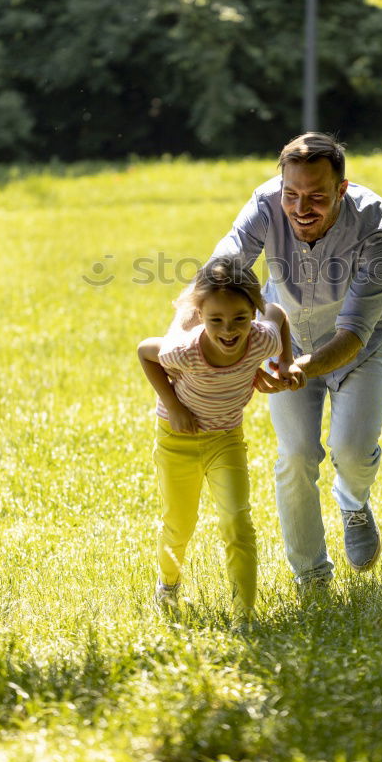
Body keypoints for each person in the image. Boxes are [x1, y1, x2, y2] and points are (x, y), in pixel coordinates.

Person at [211, 132, 382, 591]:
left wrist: (297, 371)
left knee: (352, 451)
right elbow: (224, 267)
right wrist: (196, 329)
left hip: (361, 346)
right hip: (290, 340)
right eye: (292, 194)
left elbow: (353, 333)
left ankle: (354, 504)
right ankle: (311, 576)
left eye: (317, 196)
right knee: (296, 455)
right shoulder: (265, 203)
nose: (300, 208)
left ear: (342, 189)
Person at [137, 256, 305, 621]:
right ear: (200, 315)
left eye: (240, 319)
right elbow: (144, 353)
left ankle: (244, 614)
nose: (229, 331)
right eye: (216, 320)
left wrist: (285, 362)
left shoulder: (262, 339)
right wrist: (173, 405)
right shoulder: (183, 350)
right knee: (180, 524)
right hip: (177, 441)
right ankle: (168, 586)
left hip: (226, 439)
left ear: (251, 312)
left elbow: (277, 313)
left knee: (237, 521)